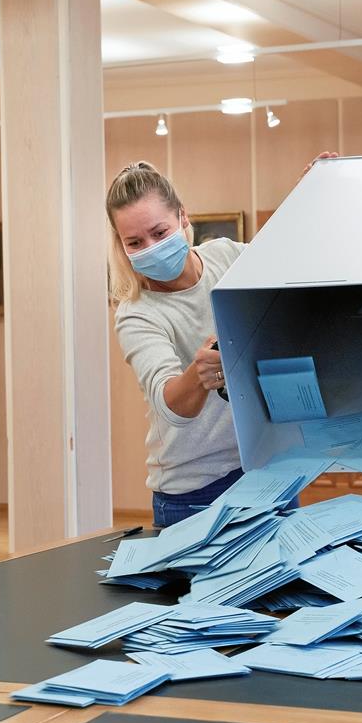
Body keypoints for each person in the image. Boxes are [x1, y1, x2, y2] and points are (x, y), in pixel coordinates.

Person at [107, 162, 244, 527]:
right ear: (121, 245)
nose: (150, 248)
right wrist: (198, 375)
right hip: (194, 492)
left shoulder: (229, 257)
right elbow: (169, 403)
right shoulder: (136, 313)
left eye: (159, 232)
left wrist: (315, 193)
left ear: (183, 217)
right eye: (135, 242)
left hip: (266, 472)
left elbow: (297, 265)